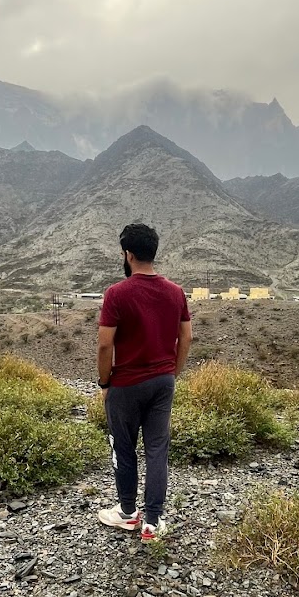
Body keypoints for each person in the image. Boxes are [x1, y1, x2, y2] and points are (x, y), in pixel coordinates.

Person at [96, 222, 192, 541]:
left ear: (128, 254)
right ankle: (152, 523)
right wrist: (173, 373)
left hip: (125, 385)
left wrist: (104, 382)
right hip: (162, 382)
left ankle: (127, 514)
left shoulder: (116, 294)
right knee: (156, 450)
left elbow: (105, 345)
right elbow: (186, 337)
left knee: (123, 449)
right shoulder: (176, 292)